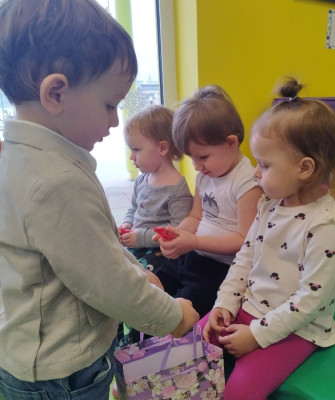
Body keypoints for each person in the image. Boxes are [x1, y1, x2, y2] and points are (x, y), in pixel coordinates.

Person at [0, 1, 199, 400]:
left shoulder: (22, 159)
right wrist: (174, 316)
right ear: (56, 93)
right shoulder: (56, 182)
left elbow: (93, 246)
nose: (113, 121)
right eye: (109, 105)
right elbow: (108, 285)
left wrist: (138, 270)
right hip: (64, 373)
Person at [200, 77, 335, 400]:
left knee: (240, 391)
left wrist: (256, 335)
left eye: (265, 164)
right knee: (194, 341)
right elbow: (245, 258)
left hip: (297, 329)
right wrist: (225, 303)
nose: (255, 172)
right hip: (250, 307)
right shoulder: (269, 205)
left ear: (304, 168)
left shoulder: (327, 227)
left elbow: (308, 303)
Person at [152, 85, 263, 318]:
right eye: (192, 158)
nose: (196, 166)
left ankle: (170, 333)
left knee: (185, 306)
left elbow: (244, 240)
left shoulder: (247, 182)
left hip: (222, 268)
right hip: (194, 254)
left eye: (202, 157)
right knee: (154, 283)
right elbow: (196, 216)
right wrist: (176, 233)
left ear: (231, 143)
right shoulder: (205, 175)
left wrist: (194, 241)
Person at [119, 105, 193, 271]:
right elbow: (133, 209)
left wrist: (141, 238)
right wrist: (127, 224)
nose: (131, 156)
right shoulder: (141, 180)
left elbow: (176, 230)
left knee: (140, 273)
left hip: (159, 251)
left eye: (136, 149)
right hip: (137, 243)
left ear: (162, 148)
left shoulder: (177, 190)